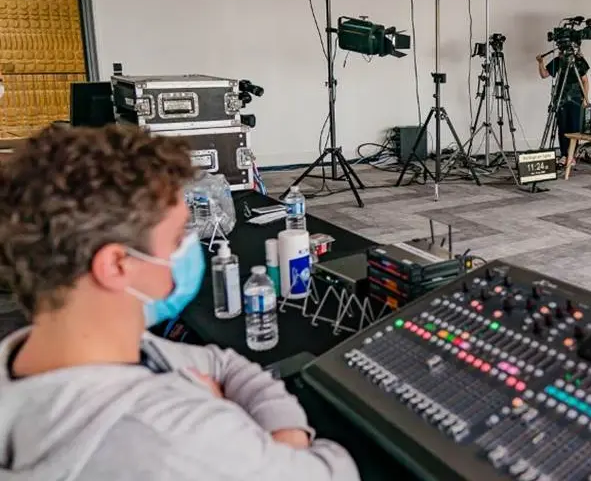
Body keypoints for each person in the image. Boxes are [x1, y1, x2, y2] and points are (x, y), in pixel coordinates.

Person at [0, 125, 360, 480]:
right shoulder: (175, 438)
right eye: (176, 239)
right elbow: (336, 470)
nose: (188, 251)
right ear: (115, 265)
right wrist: (244, 421)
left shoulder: (38, 351)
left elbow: (221, 363)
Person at [537, 50, 590, 164]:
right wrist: (540, 62)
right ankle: (564, 155)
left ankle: (572, 155)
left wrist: (585, 99)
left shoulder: (579, 62)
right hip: (561, 99)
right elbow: (544, 74)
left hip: (576, 100)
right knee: (563, 128)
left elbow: (585, 81)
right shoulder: (558, 61)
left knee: (575, 128)